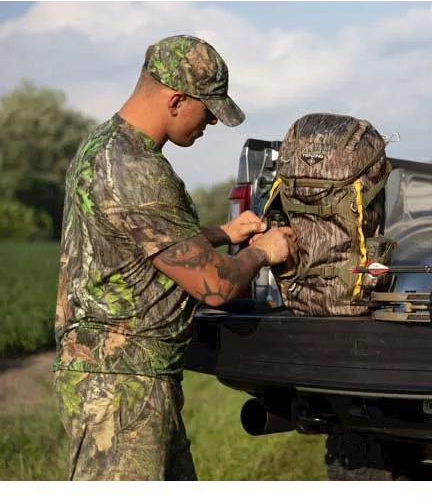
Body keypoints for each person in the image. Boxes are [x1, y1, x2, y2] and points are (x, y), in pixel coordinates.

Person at [52, 34, 296, 481]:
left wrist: (224, 233)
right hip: (125, 390)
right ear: (177, 100)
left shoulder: (107, 148)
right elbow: (214, 287)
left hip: (127, 379)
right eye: (209, 111)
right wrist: (262, 251)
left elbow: (140, 244)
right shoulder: (138, 171)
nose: (212, 124)